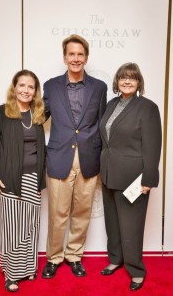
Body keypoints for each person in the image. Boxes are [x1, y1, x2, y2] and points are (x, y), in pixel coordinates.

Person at [41, 34, 107, 278]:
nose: (76, 58)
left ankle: (74, 255)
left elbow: (102, 123)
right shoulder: (50, 86)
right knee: (57, 213)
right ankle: (54, 258)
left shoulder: (99, 88)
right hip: (59, 157)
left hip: (89, 158)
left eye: (80, 54)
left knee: (82, 212)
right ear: (64, 57)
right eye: (71, 54)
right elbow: (40, 117)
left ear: (86, 58)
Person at [99, 63, 162, 291]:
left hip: (133, 178)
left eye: (132, 78)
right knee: (113, 223)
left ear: (138, 83)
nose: (127, 81)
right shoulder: (111, 104)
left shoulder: (148, 108)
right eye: (123, 78)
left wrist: (148, 179)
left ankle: (136, 270)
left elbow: (153, 146)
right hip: (108, 173)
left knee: (131, 226)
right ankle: (116, 259)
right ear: (117, 81)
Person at [0, 70, 46, 292]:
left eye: (30, 87)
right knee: (13, 227)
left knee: (30, 225)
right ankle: (11, 273)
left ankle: (28, 267)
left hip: (34, 178)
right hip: (9, 177)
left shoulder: (38, 114)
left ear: (35, 91)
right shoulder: (1, 113)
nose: (26, 90)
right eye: (22, 85)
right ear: (14, 87)